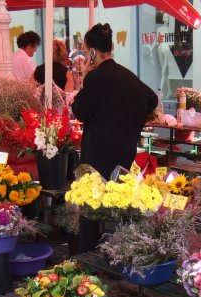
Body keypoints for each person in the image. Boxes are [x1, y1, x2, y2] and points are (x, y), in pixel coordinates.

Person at [72, 23, 158, 252]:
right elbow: (151, 99)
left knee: (91, 208)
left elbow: (79, 111)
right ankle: (118, 253)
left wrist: (84, 76)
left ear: (91, 52)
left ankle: (88, 257)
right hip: (124, 151)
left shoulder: (95, 78)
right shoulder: (127, 75)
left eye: (84, 50)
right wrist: (132, 120)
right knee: (119, 205)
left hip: (97, 154)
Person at [156, 14, 174, 98]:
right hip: (160, 49)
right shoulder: (159, 29)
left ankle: (159, 91)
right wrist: (150, 49)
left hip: (167, 50)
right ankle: (170, 91)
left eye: (169, 18)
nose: (168, 19)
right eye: (166, 17)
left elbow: (172, 41)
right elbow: (156, 41)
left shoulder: (170, 29)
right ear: (163, 18)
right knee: (164, 72)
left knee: (163, 71)